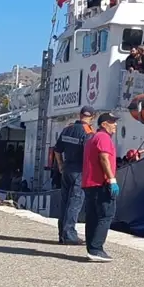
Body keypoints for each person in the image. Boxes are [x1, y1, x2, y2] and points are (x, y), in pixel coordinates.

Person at [52, 105, 94, 245]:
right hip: (80, 171)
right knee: (75, 203)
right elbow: (89, 155)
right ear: (92, 117)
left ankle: (62, 234)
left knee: (64, 202)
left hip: (67, 169)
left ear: (80, 115)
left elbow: (57, 150)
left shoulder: (67, 129)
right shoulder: (88, 132)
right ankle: (69, 235)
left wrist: (60, 165)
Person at [81, 112, 120, 262]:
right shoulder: (104, 138)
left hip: (89, 183)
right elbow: (104, 158)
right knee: (106, 215)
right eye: (112, 122)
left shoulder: (92, 138)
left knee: (92, 217)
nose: (115, 124)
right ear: (104, 124)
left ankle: (92, 248)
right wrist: (112, 179)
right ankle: (97, 249)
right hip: (100, 183)